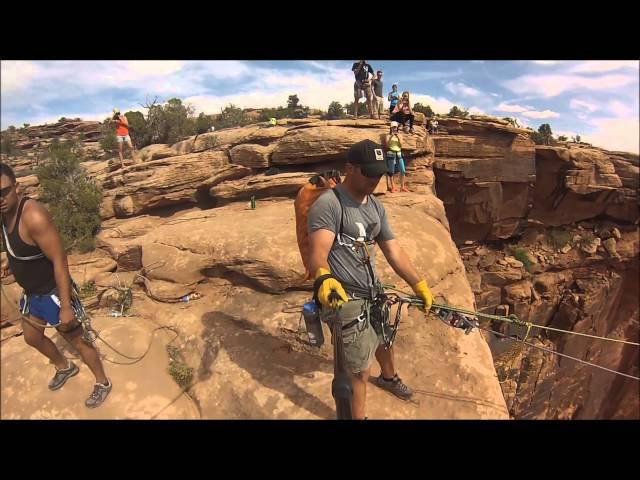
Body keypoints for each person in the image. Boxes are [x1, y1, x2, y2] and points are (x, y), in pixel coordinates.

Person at [307, 139, 434, 419]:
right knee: (358, 371)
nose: (376, 179)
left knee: (383, 339)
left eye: (379, 173)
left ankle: (388, 378)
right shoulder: (329, 205)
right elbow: (317, 253)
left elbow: (393, 250)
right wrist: (323, 276)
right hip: (344, 298)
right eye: (369, 173)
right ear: (350, 168)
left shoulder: (375, 207)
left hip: (373, 292)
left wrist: (418, 283)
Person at [0, 162, 112, 408]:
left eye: (4, 191)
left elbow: (60, 260)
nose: (0, 199)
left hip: (52, 292)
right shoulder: (3, 215)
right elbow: (20, 245)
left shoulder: (33, 216)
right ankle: (65, 366)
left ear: (16, 187)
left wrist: (65, 307)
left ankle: (102, 382)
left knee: (77, 340)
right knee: (31, 336)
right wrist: (11, 260)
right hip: (32, 293)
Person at [385, 121, 407, 192]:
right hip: (391, 153)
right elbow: (387, 145)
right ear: (391, 128)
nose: (394, 129)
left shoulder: (400, 135)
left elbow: (401, 145)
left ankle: (402, 187)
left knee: (403, 170)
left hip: (398, 154)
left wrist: (398, 138)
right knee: (391, 171)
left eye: (395, 127)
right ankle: (393, 187)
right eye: (393, 127)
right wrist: (391, 136)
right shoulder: (387, 135)